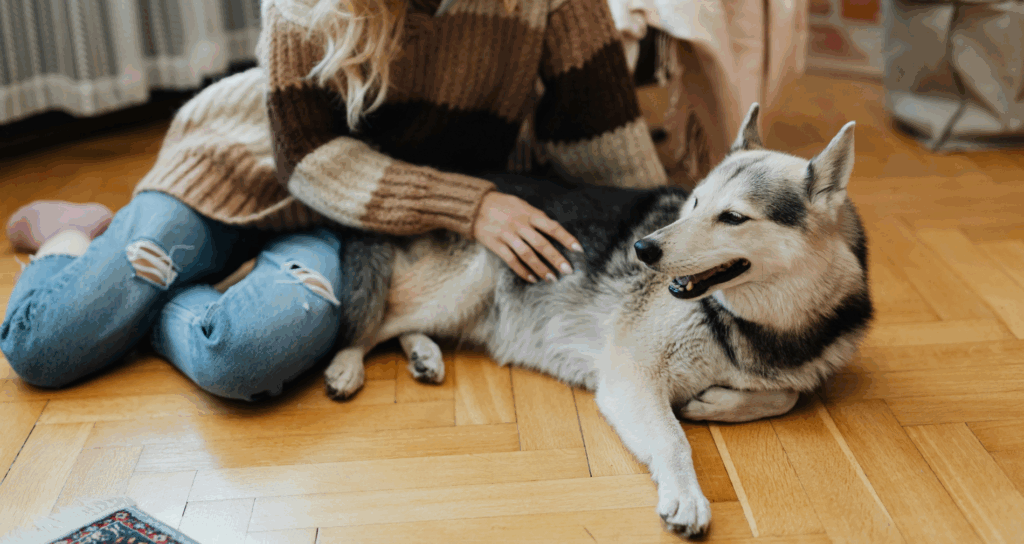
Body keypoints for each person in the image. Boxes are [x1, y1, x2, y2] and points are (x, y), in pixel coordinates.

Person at [1, 0, 667, 401]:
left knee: (242, 358)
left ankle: (148, 294)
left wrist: (675, 239)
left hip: (356, 223)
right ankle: (74, 233)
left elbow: (602, 141)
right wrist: (472, 204)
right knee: (44, 347)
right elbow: (309, 159)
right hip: (237, 166)